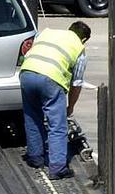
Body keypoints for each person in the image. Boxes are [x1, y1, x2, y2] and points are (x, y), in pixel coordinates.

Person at [19, 21, 91, 181]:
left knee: (32, 117)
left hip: (27, 73)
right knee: (57, 126)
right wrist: (70, 107)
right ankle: (57, 168)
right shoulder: (79, 48)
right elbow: (77, 83)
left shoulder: (47, 33)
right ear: (84, 39)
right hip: (51, 79)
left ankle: (35, 158)